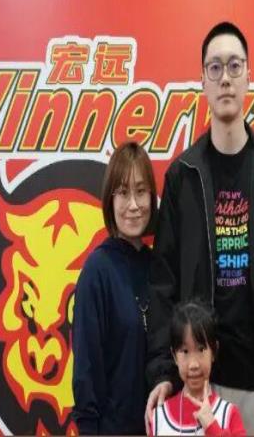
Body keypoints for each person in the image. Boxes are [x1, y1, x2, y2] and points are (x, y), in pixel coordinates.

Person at [146, 21, 254, 436]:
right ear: (202, 80)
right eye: (215, 67)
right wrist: (164, 371)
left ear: (248, 77)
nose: (225, 78)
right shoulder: (182, 176)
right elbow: (163, 285)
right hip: (197, 384)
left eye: (234, 66)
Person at [72, 141, 157, 434]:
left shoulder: (160, 268)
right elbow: (86, 371)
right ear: (110, 200)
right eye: (122, 193)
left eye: (141, 191)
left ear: (152, 197)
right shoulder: (97, 271)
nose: (133, 204)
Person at [149, 301, 245, 436]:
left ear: (214, 351)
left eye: (201, 349)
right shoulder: (158, 417)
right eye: (185, 351)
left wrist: (211, 426)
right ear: (174, 356)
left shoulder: (229, 414)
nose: (193, 364)